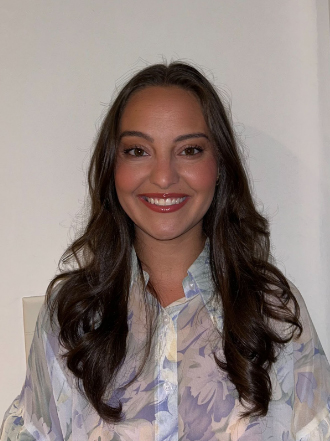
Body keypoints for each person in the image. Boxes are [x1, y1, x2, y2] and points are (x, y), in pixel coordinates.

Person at [1, 62, 330, 441]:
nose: (163, 176)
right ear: (113, 168)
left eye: (189, 150)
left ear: (219, 165)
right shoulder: (74, 317)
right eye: (138, 150)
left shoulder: (271, 311)